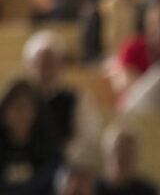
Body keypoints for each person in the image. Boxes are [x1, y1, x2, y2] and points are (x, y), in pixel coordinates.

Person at [23, 31, 103, 161]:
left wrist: (67, 151)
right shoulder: (20, 101)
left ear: (60, 65)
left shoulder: (77, 98)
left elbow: (90, 139)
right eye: (37, 63)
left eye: (48, 63)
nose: (42, 69)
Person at [0, 79, 64, 195]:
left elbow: (52, 176)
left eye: (25, 107)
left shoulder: (48, 143)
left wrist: (22, 192)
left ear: (35, 111)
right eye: (15, 106)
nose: (20, 113)